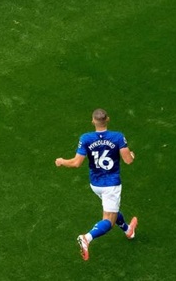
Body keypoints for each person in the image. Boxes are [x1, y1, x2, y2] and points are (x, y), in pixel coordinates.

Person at [55, 108, 137, 262]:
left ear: (93, 121)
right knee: (109, 221)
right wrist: (131, 154)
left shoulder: (86, 138)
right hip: (111, 185)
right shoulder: (117, 137)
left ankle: (128, 230)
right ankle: (86, 238)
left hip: (95, 184)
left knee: (112, 210)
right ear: (108, 119)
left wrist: (61, 161)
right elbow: (128, 160)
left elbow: (76, 163)